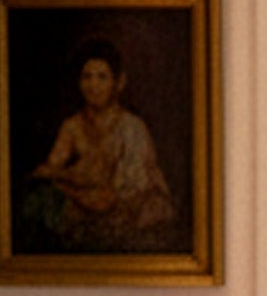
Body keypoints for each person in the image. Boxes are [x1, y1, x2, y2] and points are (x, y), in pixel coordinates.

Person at [22, 38, 176, 254]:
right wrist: (68, 180)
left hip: (130, 208)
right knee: (40, 200)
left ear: (119, 83)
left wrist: (67, 181)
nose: (93, 86)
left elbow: (112, 197)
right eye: (87, 77)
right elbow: (49, 171)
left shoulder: (132, 128)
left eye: (102, 77)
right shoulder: (72, 126)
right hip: (88, 202)